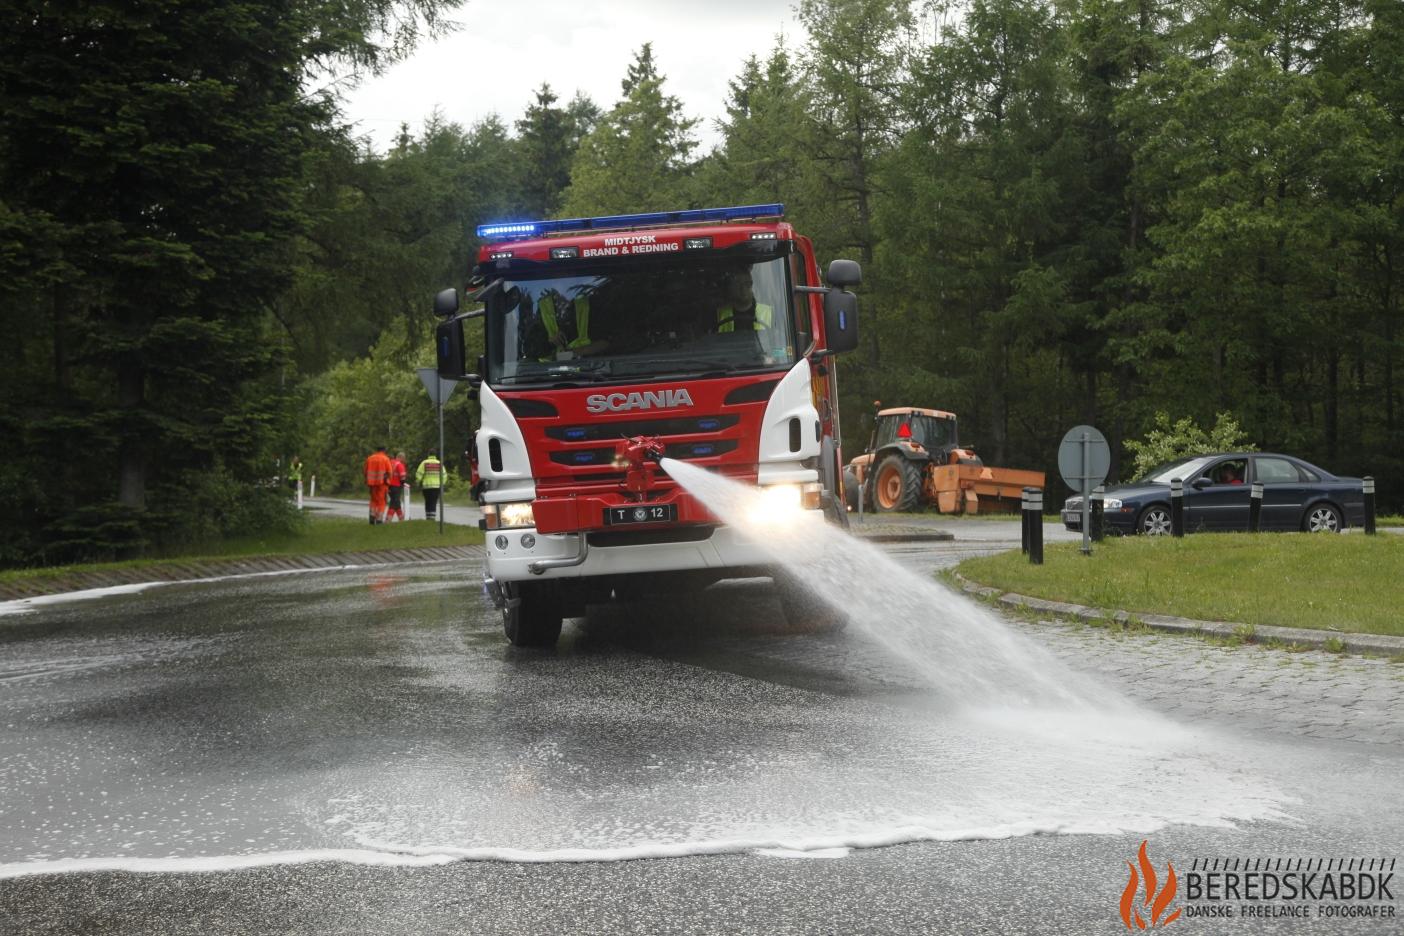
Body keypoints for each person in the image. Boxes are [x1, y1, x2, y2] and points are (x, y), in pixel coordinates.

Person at [538, 289, 608, 359]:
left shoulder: (588, 306)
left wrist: (572, 353)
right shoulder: (542, 312)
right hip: (548, 368)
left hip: (591, 366)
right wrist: (552, 342)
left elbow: (605, 343)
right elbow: (534, 353)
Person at [364, 445, 393, 524]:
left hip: (372, 484)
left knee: (373, 500)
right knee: (381, 501)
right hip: (382, 484)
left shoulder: (370, 458)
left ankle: (372, 517)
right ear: (384, 450)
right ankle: (379, 519)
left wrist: (367, 480)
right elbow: (390, 472)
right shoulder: (385, 459)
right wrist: (389, 482)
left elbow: (365, 471)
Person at [416, 451, 445, 521]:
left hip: (426, 487)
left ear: (428, 454)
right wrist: (442, 484)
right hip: (436, 487)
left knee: (427, 501)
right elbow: (444, 475)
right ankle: (432, 518)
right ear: (435, 455)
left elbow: (419, 474)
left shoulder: (424, 463)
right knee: (433, 502)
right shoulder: (439, 463)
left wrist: (418, 482)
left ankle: (428, 517)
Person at [386, 451, 408, 522]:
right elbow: (402, 476)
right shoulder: (399, 464)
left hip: (388, 485)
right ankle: (388, 520)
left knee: (396, 502)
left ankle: (401, 519)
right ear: (401, 457)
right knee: (394, 502)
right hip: (396, 486)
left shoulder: (390, 462)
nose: (404, 460)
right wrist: (402, 484)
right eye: (404, 458)